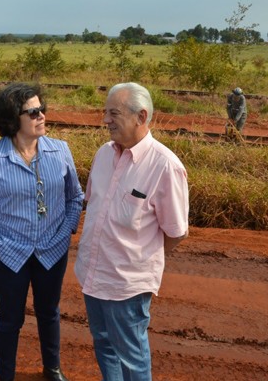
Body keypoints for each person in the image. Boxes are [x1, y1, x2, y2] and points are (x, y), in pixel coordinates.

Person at [0, 83, 84, 381]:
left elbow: (75, 197)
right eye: (33, 112)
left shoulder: (59, 150)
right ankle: (6, 375)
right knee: (10, 319)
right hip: (7, 253)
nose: (42, 116)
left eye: (43, 110)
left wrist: (66, 232)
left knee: (49, 311)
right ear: (14, 119)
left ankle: (52, 368)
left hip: (52, 249)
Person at [75, 82, 189, 381]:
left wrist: (140, 261)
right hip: (92, 273)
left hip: (127, 285)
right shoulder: (103, 154)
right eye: (105, 112)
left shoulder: (165, 166)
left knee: (132, 356)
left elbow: (176, 232)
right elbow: (94, 204)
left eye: (113, 113)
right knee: (103, 345)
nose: (105, 120)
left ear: (141, 117)